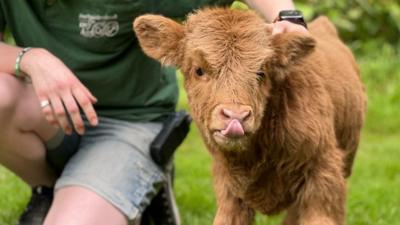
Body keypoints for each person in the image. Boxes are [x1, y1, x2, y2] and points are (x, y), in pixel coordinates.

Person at [0, 0, 307, 224]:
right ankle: (49, 187)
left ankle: (143, 170)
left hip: (130, 122)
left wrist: (286, 15)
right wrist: (30, 59)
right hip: (48, 112)